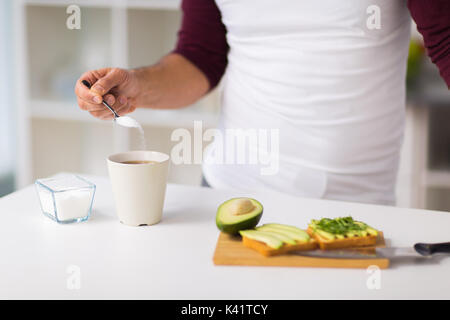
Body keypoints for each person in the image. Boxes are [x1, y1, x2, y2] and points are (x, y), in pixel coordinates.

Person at [75, 0, 450, 205]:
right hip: (231, 191)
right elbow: (200, 56)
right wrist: (136, 86)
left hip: (355, 205)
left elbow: (446, 42)